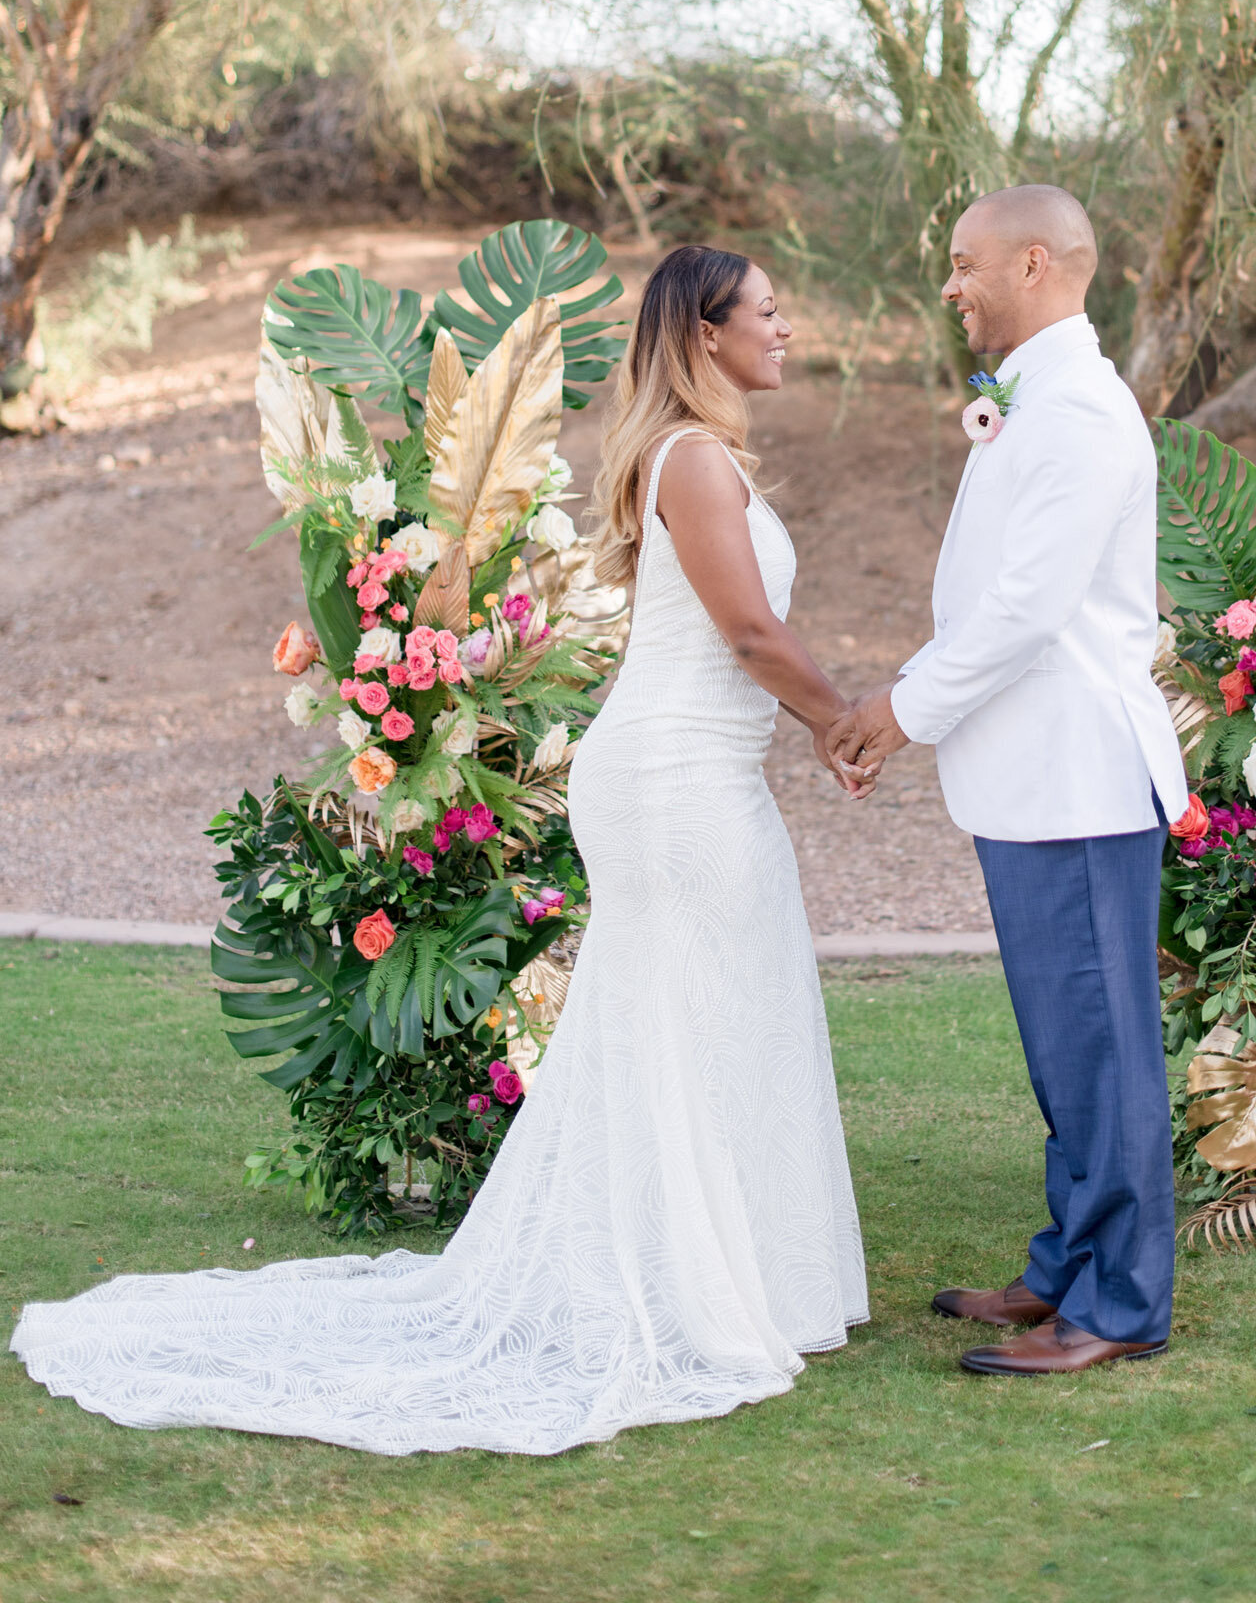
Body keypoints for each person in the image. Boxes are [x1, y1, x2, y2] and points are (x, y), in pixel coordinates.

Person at [12, 245, 869, 1454]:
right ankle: (682, 1285)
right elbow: (745, 629)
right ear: (705, 336)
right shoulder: (689, 460)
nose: (786, 329)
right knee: (689, 1012)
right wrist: (842, 718)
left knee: (719, 1010)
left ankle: (734, 1274)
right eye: (767, 313)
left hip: (700, 772)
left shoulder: (701, 460)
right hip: (673, 782)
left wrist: (826, 720)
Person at [828, 185, 1188, 1377]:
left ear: (1034, 263)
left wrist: (897, 710)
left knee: (1103, 1050)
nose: (950, 285)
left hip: (1078, 781)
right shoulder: (1033, 398)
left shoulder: (1083, 411)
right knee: (1061, 1045)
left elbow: (1026, 612)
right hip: (1031, 781)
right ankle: (1063, 1272)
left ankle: (1124, 1304)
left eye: (962, 262)